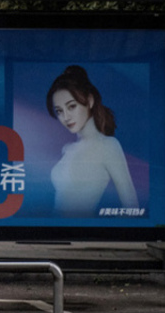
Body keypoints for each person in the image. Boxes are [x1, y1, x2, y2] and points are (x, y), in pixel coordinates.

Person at [46, 65, 139, 217]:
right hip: (50, 232)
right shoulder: (67, 149)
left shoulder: (108, 146)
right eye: (59, 111)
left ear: (89, 101)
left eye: (72, 106)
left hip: (80, 233)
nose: (66, 117)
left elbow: (131, 204)